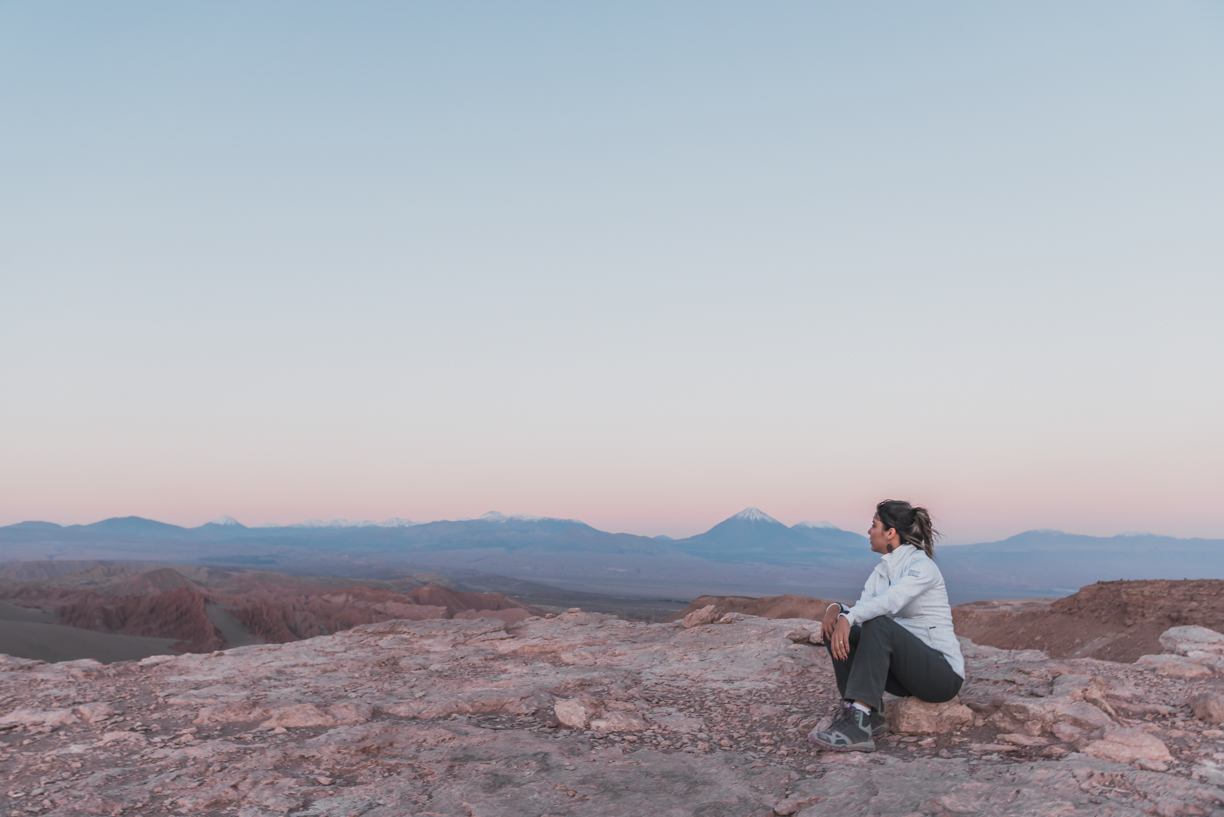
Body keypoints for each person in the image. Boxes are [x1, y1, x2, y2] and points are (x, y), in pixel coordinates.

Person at [808, 499, 965, 752]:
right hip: (908, 675)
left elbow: (891, 601)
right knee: (837, 629)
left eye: (874, 526)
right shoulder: (882, 571)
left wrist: (849, 616)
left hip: (941, 676)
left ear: (890, 533)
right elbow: (863, 607)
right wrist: (836, 610)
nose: (869, 532)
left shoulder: (922, 566)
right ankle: (867, 716)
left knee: (877, 623)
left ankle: (858, 725)